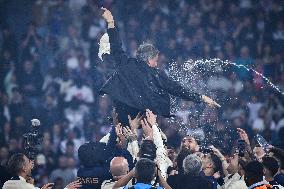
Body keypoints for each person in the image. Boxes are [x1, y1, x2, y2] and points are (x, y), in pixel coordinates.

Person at [98, 8, 220, 125]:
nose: (156, 64)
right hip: (139, 118)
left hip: (120, 115)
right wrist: (201, 97)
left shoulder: (126, 62)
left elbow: (116, 45)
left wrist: (111, 22)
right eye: (156, 60)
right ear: (149, 59)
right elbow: (176, 88)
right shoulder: (155, 74)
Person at [2, 153, 81, 189]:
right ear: (24, 168)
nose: (32, 164)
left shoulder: (7, 184)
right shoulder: (25, 186)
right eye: (29, 161)